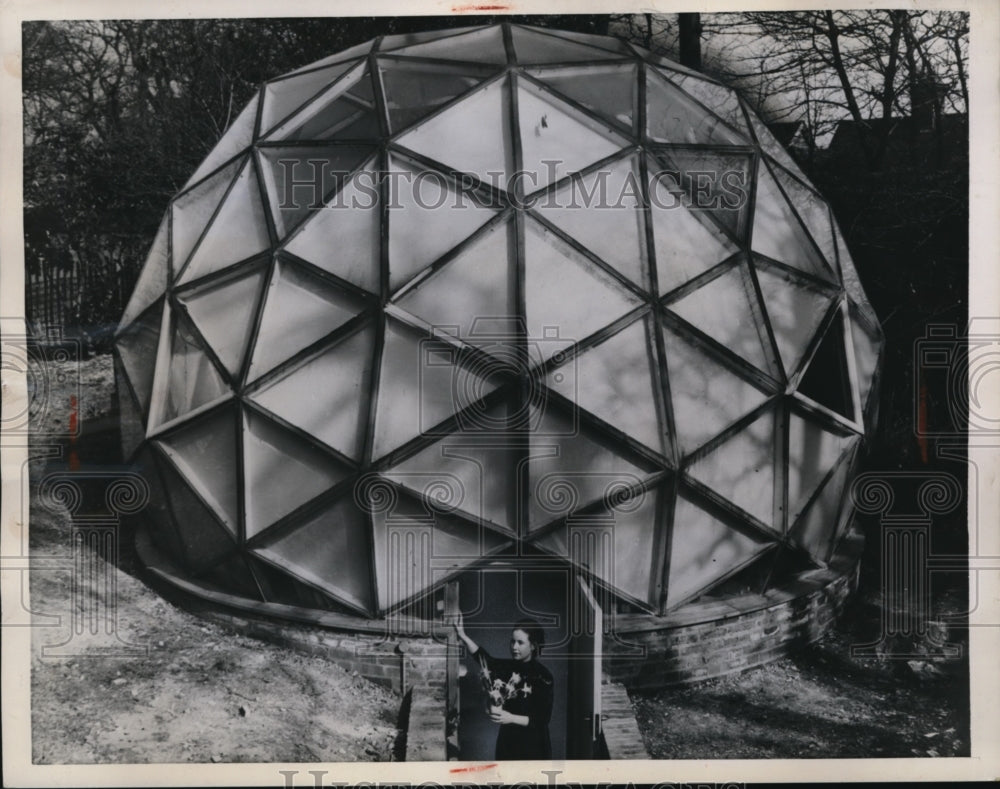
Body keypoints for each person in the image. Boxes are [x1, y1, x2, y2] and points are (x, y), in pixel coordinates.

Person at [453, 612, 554, 760]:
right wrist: (463, 635)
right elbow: (483, 659)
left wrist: (511, 718)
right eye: (512, 641)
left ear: (533, 646)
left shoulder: (543, 676)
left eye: (520, 643)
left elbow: (542, 719)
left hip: (533, 746)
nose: (514, 647)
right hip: (508, 743)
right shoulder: (508, 667)